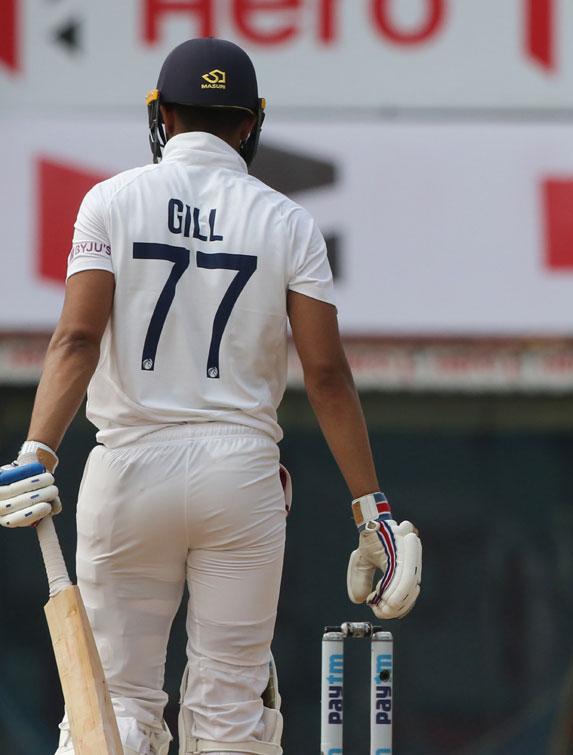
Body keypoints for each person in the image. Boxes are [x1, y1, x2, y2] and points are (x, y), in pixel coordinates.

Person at [0, 38, 421, 755]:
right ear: (250, 123)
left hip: (129, 465)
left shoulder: (111, 200)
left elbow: (76, 338)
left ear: (162, 115)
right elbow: (326, 374)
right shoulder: (287, 221)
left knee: (117, 706)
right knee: (230, 705)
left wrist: (37, 449)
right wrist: (371, 506)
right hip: (241, 475)